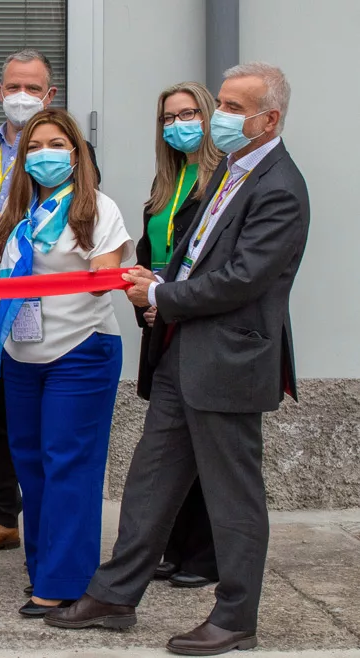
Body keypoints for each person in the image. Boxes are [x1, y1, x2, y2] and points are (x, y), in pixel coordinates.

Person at [47, 63, 310, 657]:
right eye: (222, 102)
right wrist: (159, 281)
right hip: (182, 354)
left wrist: (162, 296)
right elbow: (198, 257)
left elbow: (242, 279)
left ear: (269, 119)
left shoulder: (280, 187)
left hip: (229, 362)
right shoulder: (231, 171)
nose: (221, 116)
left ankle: (236, 617)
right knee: (150, 480)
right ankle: (115, 595)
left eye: (234, 108)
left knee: (233, 497)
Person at [0, 48, 100, 559]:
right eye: (13, 87)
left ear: (49, 94)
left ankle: (48, 527)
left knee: (49, 427)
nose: (22, 96)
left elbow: (86, 228)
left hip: (50, 308)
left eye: (32, 88)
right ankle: (1, 518)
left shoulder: (75, 153)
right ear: (0, 92)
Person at [0, 107, 132, 618]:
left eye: (55, 145)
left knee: (69, 464)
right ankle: (44, 568)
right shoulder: (18, 213)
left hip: (81, 351)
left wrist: (95, 273)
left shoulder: (98, 208)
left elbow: (104, 275)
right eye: (33, 146)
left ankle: (65, 583)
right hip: (22, 353)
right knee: (30, 465)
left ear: (75, 153)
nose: (43, 154)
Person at [136, 82, 223, 590]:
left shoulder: (223, 181)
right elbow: (152, 250)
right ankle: (174, 548)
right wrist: (148, 300)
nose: (178, 125)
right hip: (161, 321)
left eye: (189, 114)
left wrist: (166, 300)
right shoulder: (166, 182)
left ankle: (205, 556)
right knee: (170, 446)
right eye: (169, 118)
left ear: (209, 117)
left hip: (198, 322)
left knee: (205, 444)